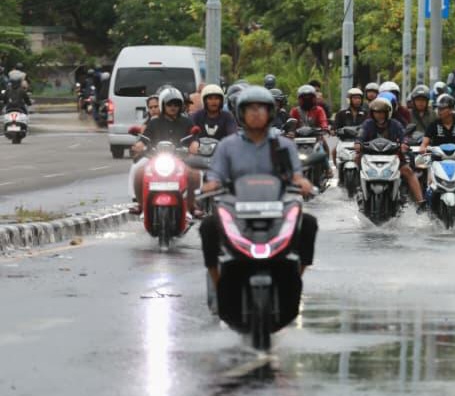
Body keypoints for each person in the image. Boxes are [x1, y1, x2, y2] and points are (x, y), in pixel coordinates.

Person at [198, 86, 317, 290]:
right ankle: (218, 283)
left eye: (261, 108)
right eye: (250, 108)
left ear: (270, 112)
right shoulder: (227, 146)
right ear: (241, 113)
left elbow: (296, 175)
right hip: (237, 208)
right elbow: (216, 175)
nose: (256, 113)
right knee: (208, 226)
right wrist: (210, 185)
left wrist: (303, 183)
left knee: (308, 223)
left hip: (277, 208)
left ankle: (296, 278)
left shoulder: (284, 145)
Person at [129, 86, 198, 207]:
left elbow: (194, 137)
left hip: (181, 158)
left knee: (195, 174)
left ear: (181, 106)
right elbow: (144, 139)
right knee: (138, 171)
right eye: (169, 104)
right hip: (155, 158)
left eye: (176, 104)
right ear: (162, 104)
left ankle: (192, 206)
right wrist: (138, 146)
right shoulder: (154, 122)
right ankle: (140, 204)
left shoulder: (187, 122)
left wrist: (194, 145)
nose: (173, 107)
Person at [356, 96, 427, 212]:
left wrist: (404, 144)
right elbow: (361, 135)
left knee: (408, 171)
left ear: (388, 113)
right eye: (376, 112)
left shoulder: (395, 124)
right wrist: (358, 143)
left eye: (381, 112)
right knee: (357, 160)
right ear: (372, 113)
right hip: (370, 158)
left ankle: (421, 202)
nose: (379, 115)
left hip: (394, 157)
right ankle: (359, 188)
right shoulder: (368, 124)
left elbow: (403, 136)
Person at [188, 84, 238, 152]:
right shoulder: (197, 116)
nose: (213, 101)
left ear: (221, 100)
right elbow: (190, 132)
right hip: (198, 154)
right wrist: (194, 141)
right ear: (204, 100)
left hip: (222, 154)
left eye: (217, 98)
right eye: (210, 98)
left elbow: (232, 134)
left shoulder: (228, 117)